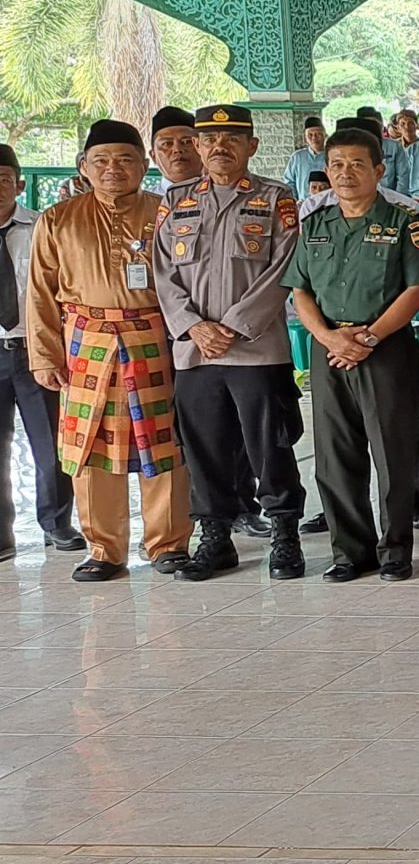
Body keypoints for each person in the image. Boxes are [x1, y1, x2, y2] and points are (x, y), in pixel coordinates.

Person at [25, 121, 192, 580]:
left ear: (144, 165)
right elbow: (39, 293)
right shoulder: (57, 219)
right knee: (92, 447)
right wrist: (43, 356)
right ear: (84, 167)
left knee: (163, 442)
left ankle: (168, 543)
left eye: (124, 159)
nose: (112, 169)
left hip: (154, 336)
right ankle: (103, 548)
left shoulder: (167, 214)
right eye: (101, 160)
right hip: (85, 342)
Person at [152, 103, 306, 581]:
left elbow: (284, 269)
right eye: (210, 141)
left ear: (252, 147)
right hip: (194, 352)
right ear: (198, 147)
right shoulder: (176, 201)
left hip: (257, 350)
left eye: (233, 140)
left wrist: (235, 325)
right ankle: (215, 537)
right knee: (203, 448)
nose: (220, 148)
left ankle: (285, 534)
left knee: (270, 445)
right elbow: (162, 273)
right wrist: (194, 326)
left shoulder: (275, 199)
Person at [283, 125, 419, 581]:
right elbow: (300, 292)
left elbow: (418, 289)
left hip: (385, 349)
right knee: (334, 454)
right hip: (329, 351)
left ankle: (395, 552)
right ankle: (350, 552)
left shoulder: (404, 221)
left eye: (356, 164)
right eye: (336, 165)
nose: (345, 174)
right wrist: (331, 339)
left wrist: (367, 338)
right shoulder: (314, 224)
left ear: (378, 170)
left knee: (393, 452)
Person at [0, 145, 78, 556]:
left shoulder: (41, 228)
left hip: (36, 350)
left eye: (3, 179)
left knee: (50, 443)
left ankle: (56, 523)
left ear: (19, 183)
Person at [148, 105, 203, 192]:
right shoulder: (141, 204)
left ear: (202, 149)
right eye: (167, 144)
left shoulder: (225, 198)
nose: (177, 149)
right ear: (153, 156)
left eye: (187, 142)